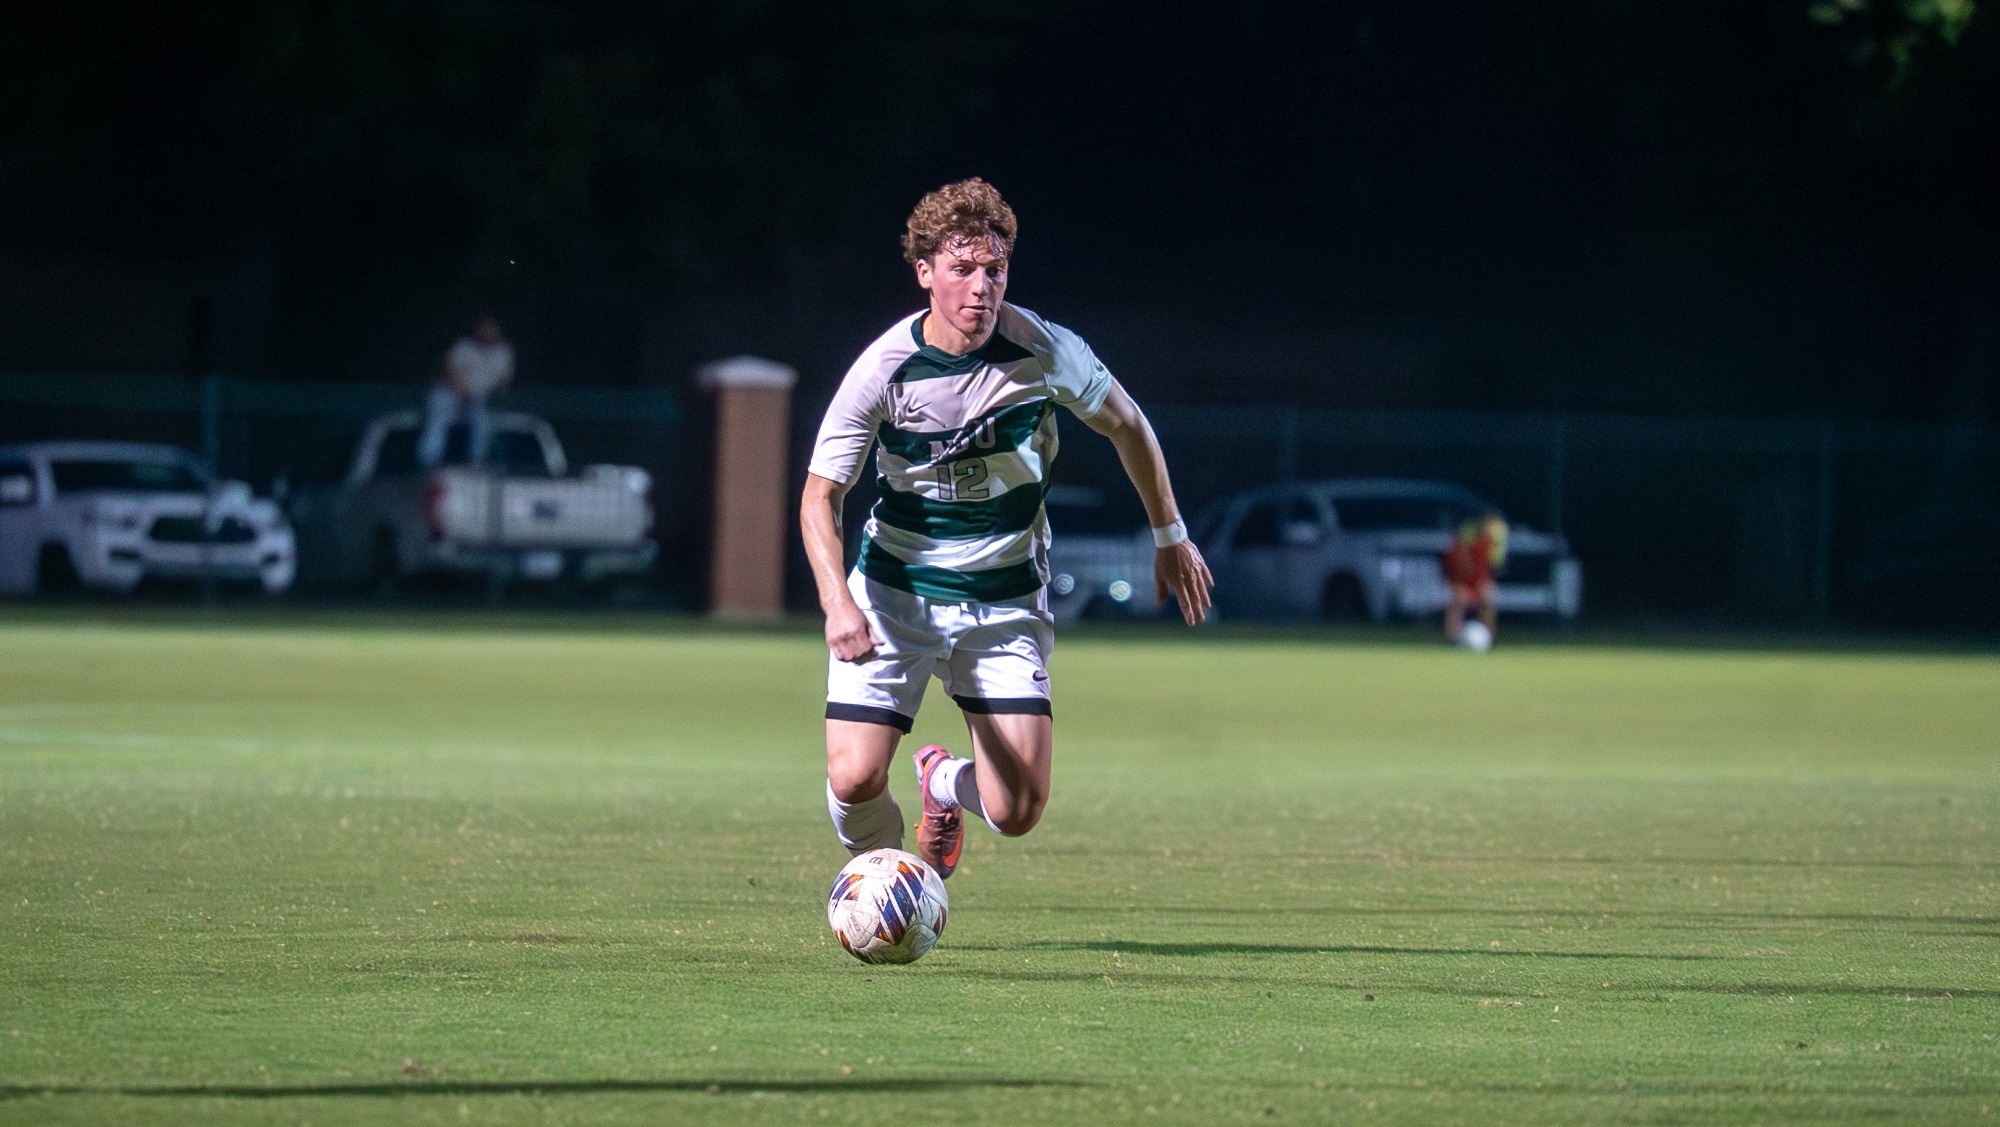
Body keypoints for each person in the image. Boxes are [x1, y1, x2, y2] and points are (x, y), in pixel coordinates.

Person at [801, 178, 1214, 880]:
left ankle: (940, 783)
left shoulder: (1044, 350)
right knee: (854, 779)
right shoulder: (883, 369)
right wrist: (838, 601)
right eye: (962, 269)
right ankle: (896, 887)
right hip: (896, 594)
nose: (981, 287)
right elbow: (820, 496)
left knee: (1018, 809)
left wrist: (1170, 533)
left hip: (1003, 601)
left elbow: (1129, 426)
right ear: (925, 272)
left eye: (995, 270)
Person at [420, 315, 514, 467]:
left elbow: (502, 380)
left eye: (491, 329)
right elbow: (449, 374)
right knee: (439, 418)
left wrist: (477, 396)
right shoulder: (463, 346)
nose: (487, 332)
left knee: (483, 421)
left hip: (480, 398)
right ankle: (430, 461)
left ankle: (476, 462)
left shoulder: (503, 352)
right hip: (450, 394)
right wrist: (463, 393)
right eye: (484, 328)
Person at [1443, 512, 1508, 644]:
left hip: (1480, 579)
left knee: (1488, 602)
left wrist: (1484, 582)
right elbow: (1458, 562)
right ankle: (1451, 638)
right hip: (1461, 578)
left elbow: (1494, 565)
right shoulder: (1466, 537)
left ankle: (1487, 638)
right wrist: (1460, 581)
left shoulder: (1492, 543)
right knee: (1458, 601)